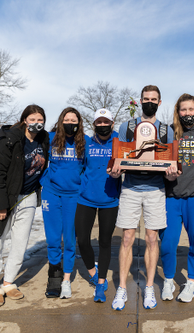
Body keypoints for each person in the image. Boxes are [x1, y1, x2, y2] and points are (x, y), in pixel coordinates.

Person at [109, 85, 178, 311]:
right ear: (140, 101)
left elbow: (171, 164)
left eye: (154, 99)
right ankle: (121, 288)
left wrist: (172, 174)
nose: (149, 102)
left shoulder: (167, 130)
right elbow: (117, 159)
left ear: (159, 102)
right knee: (127, 238)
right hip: (130, 187)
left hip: (155, 189)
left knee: (151, 239)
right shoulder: (127, 126)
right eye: (146, 98)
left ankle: (149, 286)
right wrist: (115, 171)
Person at [0, 105, 49, 307]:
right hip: (5, 199)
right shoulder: (9, 141)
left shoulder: (44, 140)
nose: (37, 123)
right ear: (25, 120)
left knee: (20, 244)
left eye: (40, 119)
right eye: (32, 119)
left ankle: (8, 282)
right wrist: (0, 205)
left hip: (28, 198)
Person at [159, 93, 194, 303]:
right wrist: (165, 174)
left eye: (190, 109)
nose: (187, 113)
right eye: (183, 110)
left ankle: (191, 283)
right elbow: (159, 159)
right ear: (177, 112)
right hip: (172, 196)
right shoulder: (170, 132)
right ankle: (168, 280)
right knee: (168, 244)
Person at [75, 108, 120, 303]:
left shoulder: (119, 141)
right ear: (94, 124)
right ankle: (93, 272)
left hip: (110, 199)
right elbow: (80, 165)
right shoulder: (86, 142)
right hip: (86, 198)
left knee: (104, 241)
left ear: (112, 123)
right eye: (99, 122)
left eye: (106, 122)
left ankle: (100, 283)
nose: (102, 125)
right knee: (82, 240)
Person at [41, 107, 85, 299]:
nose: (70, 123)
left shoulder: (86, 142)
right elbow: (28, 138)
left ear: (79, 123)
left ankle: (66, 278)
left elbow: (107, 145)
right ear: (60, 121)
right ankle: (54, 275)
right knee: (52, 238)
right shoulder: (50, 138)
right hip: (51, 193)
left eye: (73, 120)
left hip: (74, 196)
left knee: (69, 238)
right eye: (66, 119)